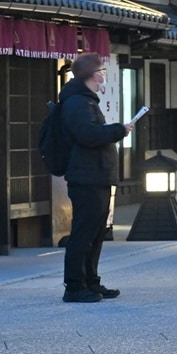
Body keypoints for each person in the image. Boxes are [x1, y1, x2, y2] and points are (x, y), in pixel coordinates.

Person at [58, 52, 134, 304]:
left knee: (96, 232)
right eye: (102, 71)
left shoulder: (85, 100)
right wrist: (117, 130)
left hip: (96, 175)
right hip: (86, 176)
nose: (103, 75)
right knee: (84, 232)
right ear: (94, 74)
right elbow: (87, 135)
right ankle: (74, 285)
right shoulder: (77, 102)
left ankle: (91, 280)